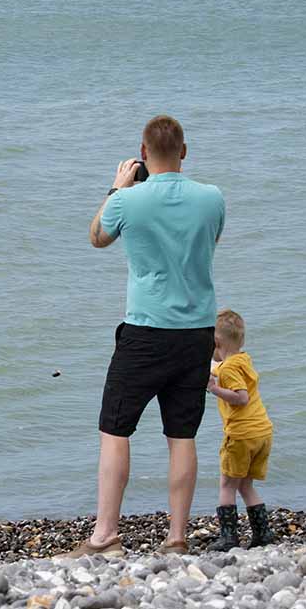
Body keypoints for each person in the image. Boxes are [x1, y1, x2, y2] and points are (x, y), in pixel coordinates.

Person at [62, 115, 226, 558]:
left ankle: (105, 536)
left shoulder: (127, 201)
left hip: (146, 331)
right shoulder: (212, 198)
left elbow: (97, 238)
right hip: (197, 332)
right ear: (185, 152)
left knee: (115, 430)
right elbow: (212, 239)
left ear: (143, 153)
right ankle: (176, 538)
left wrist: (117, 187)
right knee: (182, 435)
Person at [205, 308, 276, 550]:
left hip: (241, 435)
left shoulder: (227, 369)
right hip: (262, 432)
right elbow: (223, 368)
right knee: (246, 485)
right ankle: (262, 533)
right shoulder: (242, 360)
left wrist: (214, 389)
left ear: (215, 341)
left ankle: (228, 537)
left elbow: (241, 397)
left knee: (227, 486)